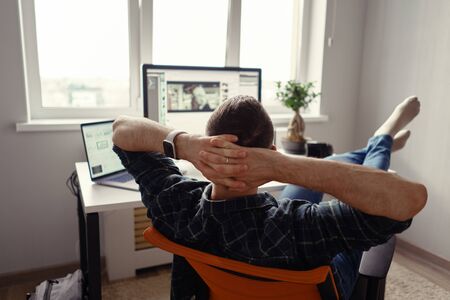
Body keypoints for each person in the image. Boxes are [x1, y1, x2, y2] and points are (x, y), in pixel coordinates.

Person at [112, 95, 427, 300]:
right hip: (326, 281)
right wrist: (283, 166)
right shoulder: (299, 227)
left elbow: (121, 130)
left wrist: (184, 144)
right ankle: (381, 140)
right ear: (272, 154)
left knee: (328, 167)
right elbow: (407, 198)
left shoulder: (173, 203)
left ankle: (364, 150)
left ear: (206, 149)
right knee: (359, 181)